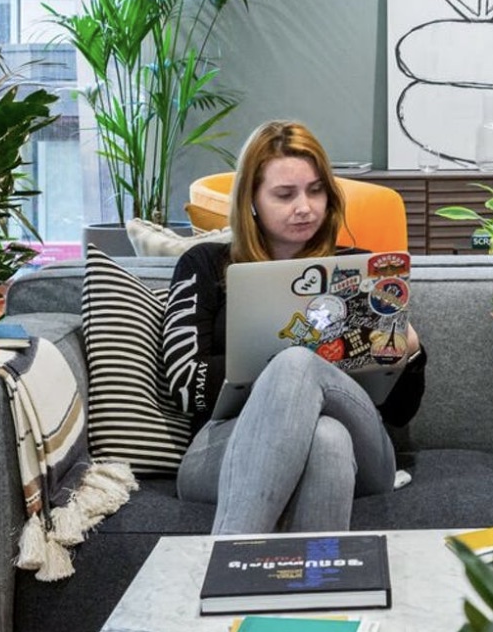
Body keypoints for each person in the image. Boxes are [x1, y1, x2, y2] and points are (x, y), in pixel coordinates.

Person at [160, 120, 425, 533]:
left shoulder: (360, 269)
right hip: (222, 446)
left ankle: (228, 557)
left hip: (366, 451)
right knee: (325, 436)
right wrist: (282, 371)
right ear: (251, 200)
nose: (305, 207)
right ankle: (319, 575)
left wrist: (410, 353)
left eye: (316, 190)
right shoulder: (205, 265)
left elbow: (399, 411)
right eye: (285, 194)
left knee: (299, 363)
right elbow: (183, 385)